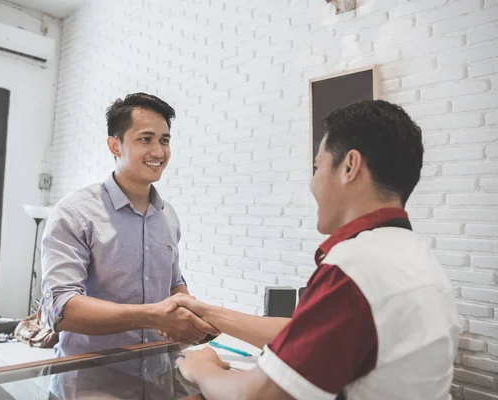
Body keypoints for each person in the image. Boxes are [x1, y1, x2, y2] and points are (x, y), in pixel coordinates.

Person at [169, 100, 461, 400]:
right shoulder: (416, 257)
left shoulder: (355, 268)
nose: (311, 184)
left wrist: (201, 368)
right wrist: (211, 313)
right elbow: (307, 333)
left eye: (317, 167)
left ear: (349, 166)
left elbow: (257, 396)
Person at [40, 92, 217, 360]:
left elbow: (174, 286)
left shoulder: (168, 215)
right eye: (145, 139)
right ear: (115, 145)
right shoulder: (74, 213)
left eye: (164, 140)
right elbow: (62, 309)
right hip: (91, 382)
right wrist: (154, 316)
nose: (158, 152)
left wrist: (195, 317)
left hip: (158, 375)